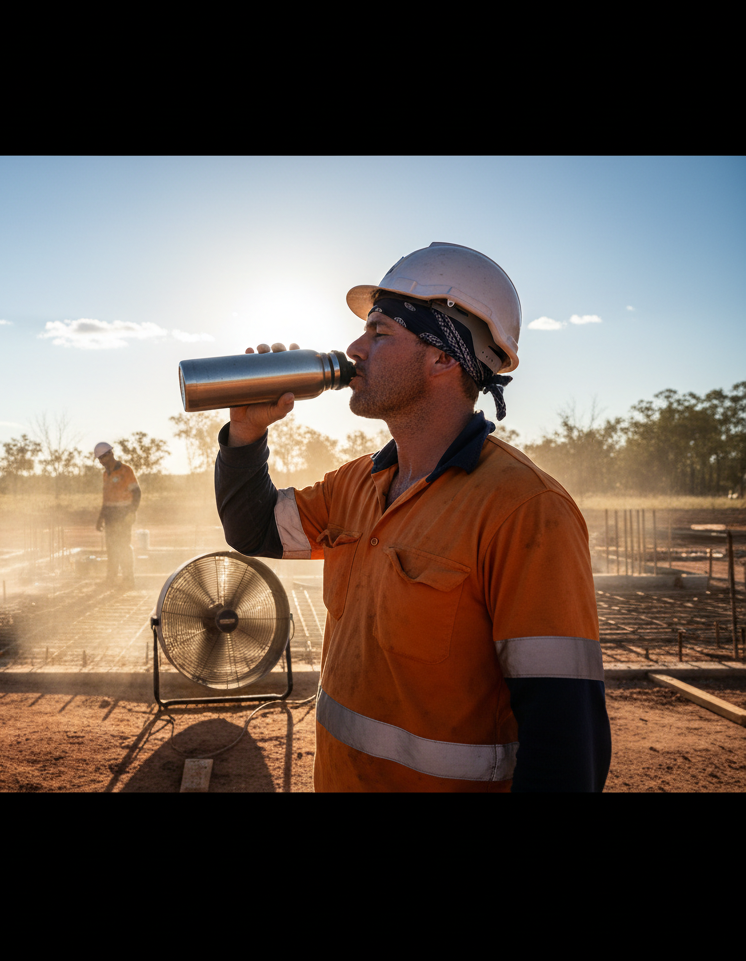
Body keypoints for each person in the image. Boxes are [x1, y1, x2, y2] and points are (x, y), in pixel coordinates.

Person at [214, 242, 611, 792]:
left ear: (444, 357)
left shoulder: (526, 511)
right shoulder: (358, 482)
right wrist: (247, 431)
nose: (355, 347)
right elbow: (252, 527)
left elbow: (566, 745)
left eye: (379, 333)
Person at [94, 442, 140, 590]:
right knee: (111, 547)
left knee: (123, 546)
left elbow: (137, 493)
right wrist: (101, 517)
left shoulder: (125, 471)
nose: (101, 462)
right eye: (99, 459)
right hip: (110, 515)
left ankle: (128, 579)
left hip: (124, 514)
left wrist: (132, 512)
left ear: (110, 454)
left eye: (103, 458)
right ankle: (111, 578)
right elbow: (106, 499)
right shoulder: (105, 475)